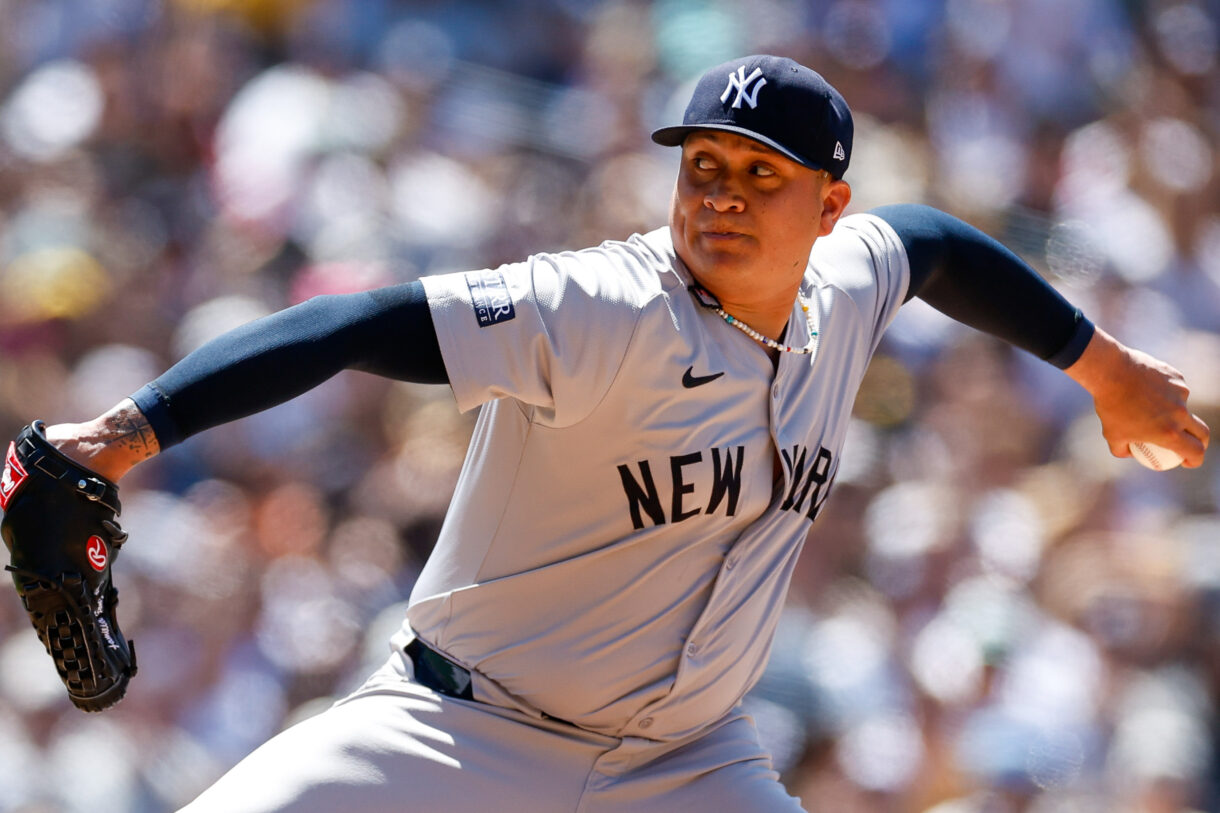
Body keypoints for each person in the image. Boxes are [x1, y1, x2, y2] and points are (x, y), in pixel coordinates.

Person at [25, 55, 1209, 812]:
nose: (722, 196)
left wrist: (1104, 372)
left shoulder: (849, 282)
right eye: (702, 167)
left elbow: (940, 247)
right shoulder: (600, 305)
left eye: (759, 173)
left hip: (687, 766)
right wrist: (125, 435)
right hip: (458, 730)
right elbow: (354, 323)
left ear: (829, 208)